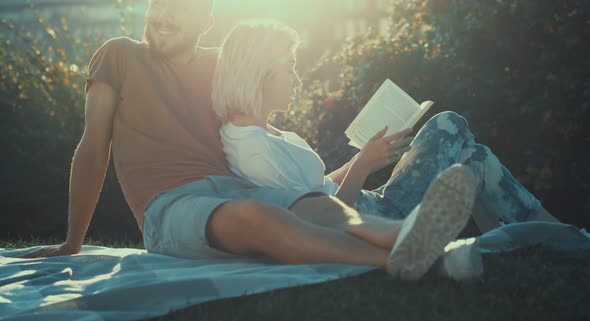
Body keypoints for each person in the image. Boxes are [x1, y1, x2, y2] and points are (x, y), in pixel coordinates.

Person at [16, 0, 478, 281]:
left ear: (204, 19)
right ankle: (410, 262)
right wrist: (72, 242)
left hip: (237, 188)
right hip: (172, 208)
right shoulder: (120, 55)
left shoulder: (220, 64)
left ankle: (410, 238)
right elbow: (92, 147)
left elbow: (267, 67)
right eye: (156, 8)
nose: (161, 17)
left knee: (317, 203)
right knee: (258, 215)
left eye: (177, 9)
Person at [213, 22, 561, 230]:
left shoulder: (270, 134)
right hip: (375, 217)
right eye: (288, 68)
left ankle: (553, 235)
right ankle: (556, 235)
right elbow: (321, 222)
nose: (296, 80)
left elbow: (317, 189)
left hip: (372, 203)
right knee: (449, 124)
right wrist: (363, 166)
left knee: (475, 158)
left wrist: (362, 157)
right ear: (259, 72)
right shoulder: (252, 150)